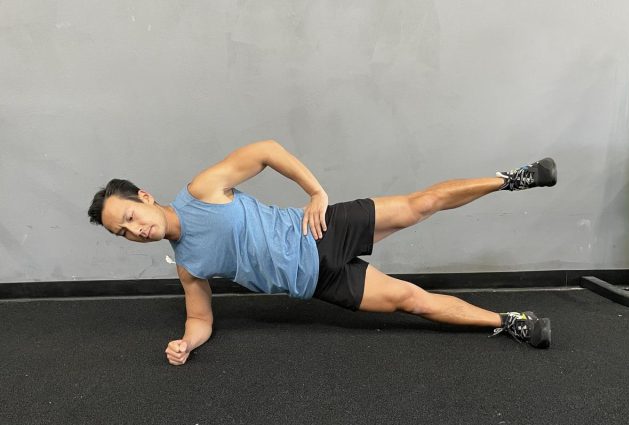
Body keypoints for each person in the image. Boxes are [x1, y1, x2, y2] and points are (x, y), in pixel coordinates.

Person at [88, 140, 557, 366]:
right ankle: (510, 321)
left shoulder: (202, 190)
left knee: (421, 204)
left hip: (323, 230)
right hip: (321, 283)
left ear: (143, 197)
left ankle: (512, 178)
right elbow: (201, 318)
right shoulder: (189, 266)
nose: (136, 231)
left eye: (129, 217)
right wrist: (188, 342)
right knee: (414, 302)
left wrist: (316, 192)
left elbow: (267, 149)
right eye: (123, 234)